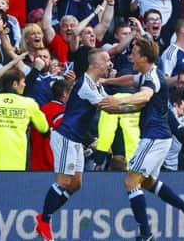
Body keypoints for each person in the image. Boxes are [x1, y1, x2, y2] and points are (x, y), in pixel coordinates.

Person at [99, 38, 184, 241]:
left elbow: (144, 96)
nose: (130, 57)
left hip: (154, 137)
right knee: (146, 182)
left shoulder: (152, 78)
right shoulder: (148, 74)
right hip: (157, 137)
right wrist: (106, 81)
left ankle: (145, 234)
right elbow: (130, 80)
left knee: (130, 182)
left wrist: (118, 100)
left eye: (134, 53)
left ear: (144, 58)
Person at [34, 49, 114, 241]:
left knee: (76, 184)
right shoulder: (85, 85)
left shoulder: (96, 85)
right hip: (65, 137)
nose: (110, 64)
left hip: (76, 141)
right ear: (95, 64)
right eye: (107, 60)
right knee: (64, 181)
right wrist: (139, 102)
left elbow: (112, 102)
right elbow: (111, 107)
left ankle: (44, 216)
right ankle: (44, 221)